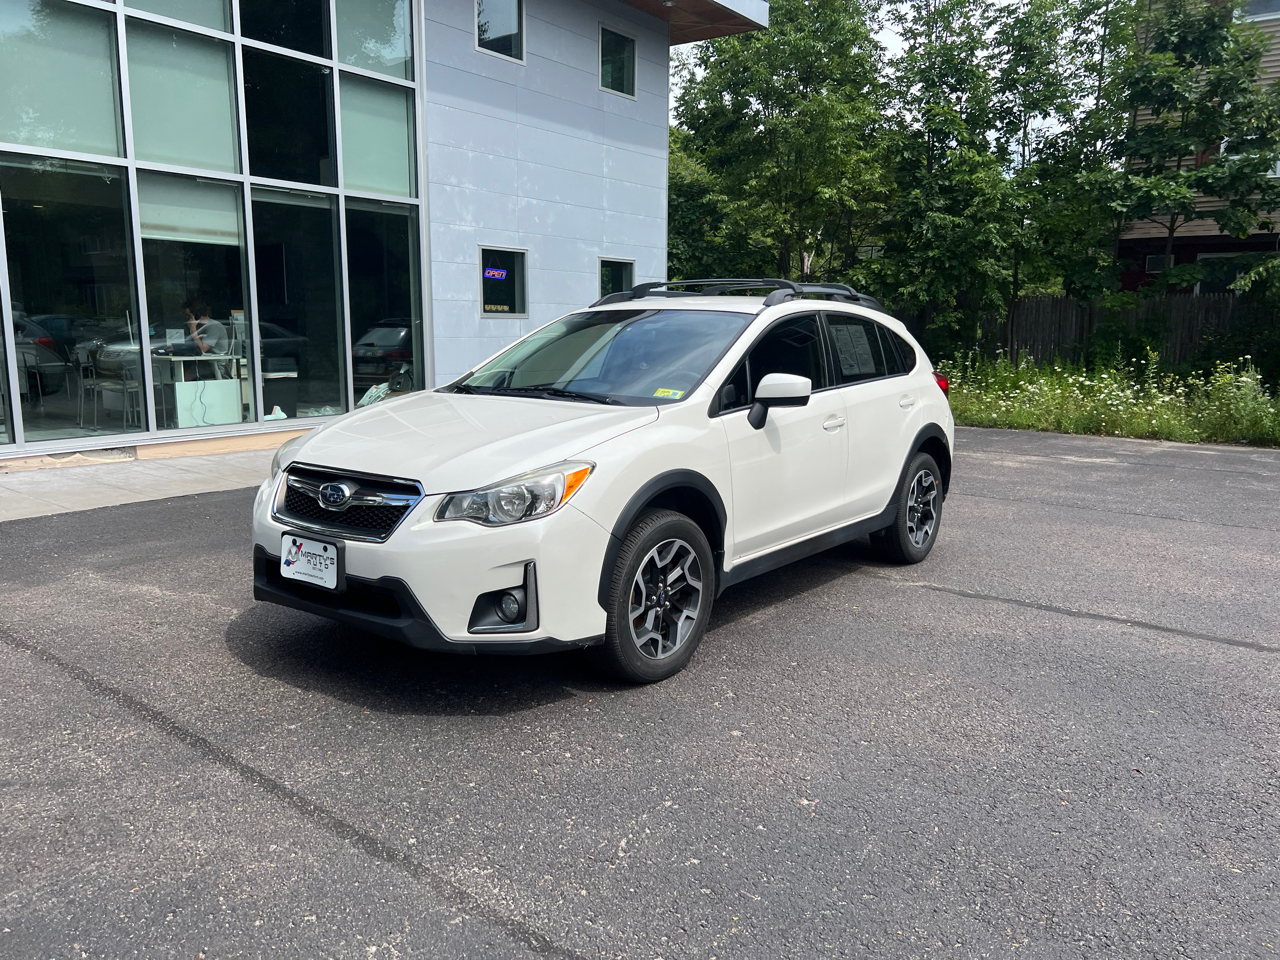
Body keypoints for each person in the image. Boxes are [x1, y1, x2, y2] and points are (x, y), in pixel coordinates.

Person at [182, 299, 230, 379]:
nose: (187, 318)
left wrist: (193, 330)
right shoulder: (199, 327)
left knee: (183, 376)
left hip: (213, 365)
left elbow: (202, 349)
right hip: (199, 362)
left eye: (189, 316)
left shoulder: (214, 326)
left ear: (197, 315)